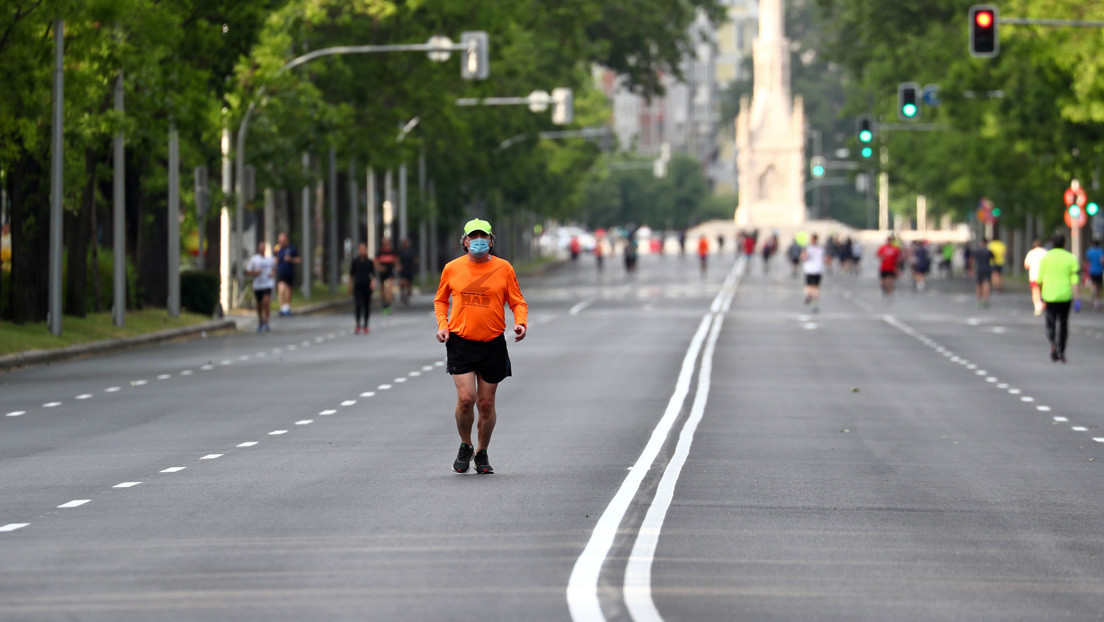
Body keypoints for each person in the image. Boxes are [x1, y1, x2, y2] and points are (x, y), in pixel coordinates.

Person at [435, 219, 528, 475]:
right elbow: (441, 300)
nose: (478, 241)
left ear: (491, 240)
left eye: (483, 236)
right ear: (464, 241)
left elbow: (518, 302)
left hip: (492, 344)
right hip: (460, 342)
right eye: (473, 236)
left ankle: (482, 452)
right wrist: (443, 325)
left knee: (486, 403)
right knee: (466, 399)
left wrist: (520, 323)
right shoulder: (452, 268)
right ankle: (465, 444)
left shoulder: (504, 268)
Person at [1038, 233, 1081, 363]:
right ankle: (1061, 351)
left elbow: (1039, 279)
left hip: (1049, 295)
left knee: (1050, 322)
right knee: (1063, 324)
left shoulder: (1046, 258)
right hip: (1065, 295)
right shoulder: (1070, 258)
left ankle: (1052, 342)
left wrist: (1041, 295)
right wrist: (1077, 298)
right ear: (1064, 244)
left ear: (1052, 243)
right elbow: (1074, 280)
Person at [245, 241, 276, 332]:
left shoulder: (270, 259)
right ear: (259, 249)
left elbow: (274, 268)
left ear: (265, 249)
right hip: (258, 285)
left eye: (264, 248)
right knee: (259, 304)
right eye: (261, 248)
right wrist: (256, 273)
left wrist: (272, 274)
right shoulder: (254, 259)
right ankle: (260, 320)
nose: (262, 249)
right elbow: (248, 271)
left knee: (266, 302)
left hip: (267, 283)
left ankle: (266, 321)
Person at [349, 242, 376, 334]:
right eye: (360, 249)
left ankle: (366, 325)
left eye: (363, 249)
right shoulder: (355, 261)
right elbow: (351, 274)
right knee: (358, 305)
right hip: (357, 285)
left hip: (367, 286)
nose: (362, 251)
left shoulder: (369, 262)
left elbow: (373, 275)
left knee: (366, 305)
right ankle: (357, 324)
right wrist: (350, 285)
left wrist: (373, 283)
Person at [273, 232, 300, 317]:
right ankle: (282, 307)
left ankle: (286, 307)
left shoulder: (292, 249)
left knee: (288, 290)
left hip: (289, 272)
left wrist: (290, 259)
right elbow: (274, 259)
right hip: (281, 272)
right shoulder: (277, 249)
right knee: (281, 290)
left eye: (283, 240)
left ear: (286, 240)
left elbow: (298, 260)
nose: (281, 242)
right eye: (280, 240)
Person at [801, 233, 826, 312]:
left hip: (814, 270)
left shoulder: (818, 248)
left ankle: (814, 304)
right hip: (812, 270)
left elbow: (803, 257)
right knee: (810, 288)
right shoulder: (818, 248)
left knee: (814, 288)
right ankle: (810, 296)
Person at [1024, 238, 1048, 316]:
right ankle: (1044, 304)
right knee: (1044, 291)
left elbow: (1026, 265)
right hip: (1045, 276)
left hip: (1034, 275)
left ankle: (1037, 306)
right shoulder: (1046, 252)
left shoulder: (1031, 253)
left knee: (1035, 291)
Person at [375, 238, 398, 314]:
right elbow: (375, 262)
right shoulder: (380, 252)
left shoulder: (392, 251)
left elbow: (396, 260)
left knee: (389, 288)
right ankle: (384, 303)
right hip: (382, 273)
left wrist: (397, 267)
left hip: (390, 272)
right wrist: (380, 268)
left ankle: (388, 305)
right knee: (383, 290)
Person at [972, 237, 994, 308]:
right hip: (987, 268)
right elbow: (993, 259)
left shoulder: (977, 251)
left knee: (978, 284)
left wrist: (972, 269)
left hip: (979, 269)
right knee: (986, 284)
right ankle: (986, 300)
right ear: (986, 243)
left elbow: (973, 260)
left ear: (981, 242)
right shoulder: (989, 251)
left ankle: (979, 300)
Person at [1084, 238, 1104, 311]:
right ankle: (1097, 301)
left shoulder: (1089, 251)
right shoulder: (1101, 251)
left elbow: (1086, 260)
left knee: (1094, 283)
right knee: (1099, 286)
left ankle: (1093, 290)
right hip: (1099, 271)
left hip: (1092, 270)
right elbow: (1102, 260)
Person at [398, 237, 418, 306]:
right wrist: (398, 266)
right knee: (402, 282)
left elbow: (415, 260)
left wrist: (415, 264)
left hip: (410, 269)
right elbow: (397, 259)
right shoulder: (400, 251)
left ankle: (408, 296)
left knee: (409, 284)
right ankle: (402, 294)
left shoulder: (411, 251)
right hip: (403, 269)